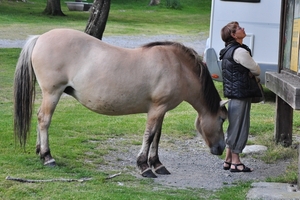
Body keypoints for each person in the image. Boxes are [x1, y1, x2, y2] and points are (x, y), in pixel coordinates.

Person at [219, 21, 261, 172]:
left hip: (234, 94)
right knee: (240, 126)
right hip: (242, 94)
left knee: (234, 126)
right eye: (239, 28)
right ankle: (236, 162)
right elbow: (256, 70)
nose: (243, 29)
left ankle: (228, 159)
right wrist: (250, 72)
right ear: (233, 35)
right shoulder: (240, 51)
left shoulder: (228, 50)